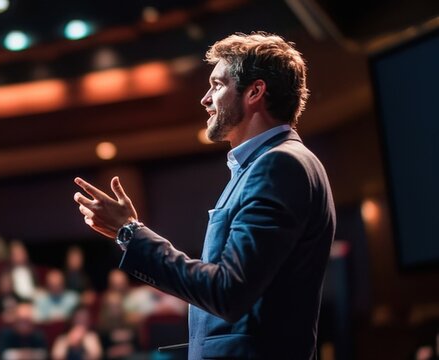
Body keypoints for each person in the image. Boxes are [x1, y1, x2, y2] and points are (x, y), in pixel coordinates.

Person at [73, 32, 335, 359]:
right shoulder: (264, 165)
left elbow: (227, 291)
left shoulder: (279, 165)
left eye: (218, 85)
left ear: (255, 91)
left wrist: (130, 232)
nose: (205, 99)